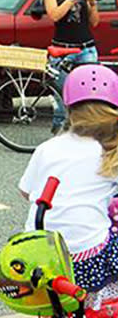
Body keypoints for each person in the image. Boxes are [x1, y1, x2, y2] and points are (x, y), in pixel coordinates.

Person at [19, 65, 118, 297]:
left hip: (37, 257)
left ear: (67, 107)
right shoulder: (110, 152)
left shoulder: (47, 148)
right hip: (85, 259)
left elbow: (25, 192)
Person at [45, 0, 101, 132]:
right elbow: (54, 15)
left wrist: (92, 4)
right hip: (62, 50)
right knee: (62, 93)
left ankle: (87, 130)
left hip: (86, 49)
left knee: (89, 94)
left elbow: (94, 22)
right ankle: (60, 132)